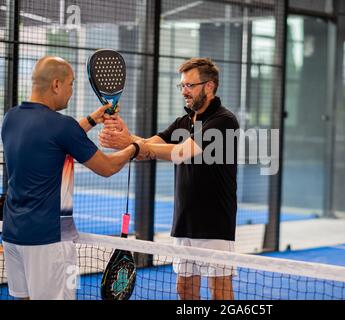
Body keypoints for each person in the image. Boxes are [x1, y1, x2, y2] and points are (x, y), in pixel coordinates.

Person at [0, 56, 144, 300]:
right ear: (56, 84)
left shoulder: (11, 118)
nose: (71, 91)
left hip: (13, 237)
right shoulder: (62, 126)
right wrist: (136, 147)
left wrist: (92, 119)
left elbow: (51, 139)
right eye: (71, 84)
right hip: (50, 241)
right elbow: (107, 167)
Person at [99, 57, 239, 300]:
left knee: (220, 292)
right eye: (182, 85)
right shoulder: (184, 121)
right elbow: (149, 146)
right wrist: (126, 136)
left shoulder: (224, 121)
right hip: (184, 222)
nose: (184, 91)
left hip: (215, 224)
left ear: (209, 86)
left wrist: (130, 145)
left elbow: (181, 152)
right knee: (184, 290)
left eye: (189, 85)